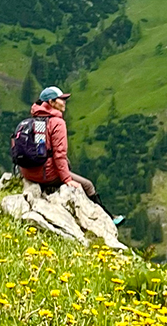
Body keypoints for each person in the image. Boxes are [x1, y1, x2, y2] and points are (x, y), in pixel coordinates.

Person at [18, 85, 123, 225]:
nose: (64, 102)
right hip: (45, 175)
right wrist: (67, 179)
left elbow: (41, 149)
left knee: (65, 165)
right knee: (88, 185)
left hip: (28, 173)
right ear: (51, 103)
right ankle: (108, 219)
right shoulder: (57, 123)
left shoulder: (37, 120)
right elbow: (59, 155)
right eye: (61, 99)